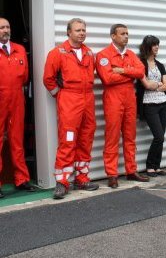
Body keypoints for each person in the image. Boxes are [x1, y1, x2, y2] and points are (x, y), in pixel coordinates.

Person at [43, 18, 99, 199]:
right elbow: (48, 79)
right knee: (68, 140)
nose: (81, 33)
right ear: (69, 32)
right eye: (78, 30)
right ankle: (62, 182)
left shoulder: (90, 53)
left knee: (86, 137)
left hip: (88, 98)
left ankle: (82, 178)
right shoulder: (57, 53)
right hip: (69, 99)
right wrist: (60, 95)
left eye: (83, 30)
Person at [96, 24, 150, 188]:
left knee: (130, 136)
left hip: (129, 97)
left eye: (127, 33)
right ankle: (112, 174)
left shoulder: (130, 54)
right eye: (122, 34)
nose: (126, 36)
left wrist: (121, 70)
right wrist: (129, 73)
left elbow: (141, 72)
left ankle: (131, 171)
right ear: (113, 36)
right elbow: (108, 79)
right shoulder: (103, 55)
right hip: (113, 97)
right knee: (112, 136)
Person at [0, 17, 35, 198]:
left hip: (16, 98)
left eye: (7, 27)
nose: (5, 30)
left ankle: (22, 179)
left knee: (17, 139)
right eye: (2, 28)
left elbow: (25, 76)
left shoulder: (19, 49)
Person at [136, 35, 166, 177]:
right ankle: (150, 166)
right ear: (147, 47)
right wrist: (158, 85)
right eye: (154, 44)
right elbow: (146, 84)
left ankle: (156, 166)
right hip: (149, 105)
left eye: (157, 44)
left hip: (163, 104)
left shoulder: (160, 65)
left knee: (161, 136)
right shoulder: (140, 64)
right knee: (159, 136)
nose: (156, 47)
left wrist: (155, 85)